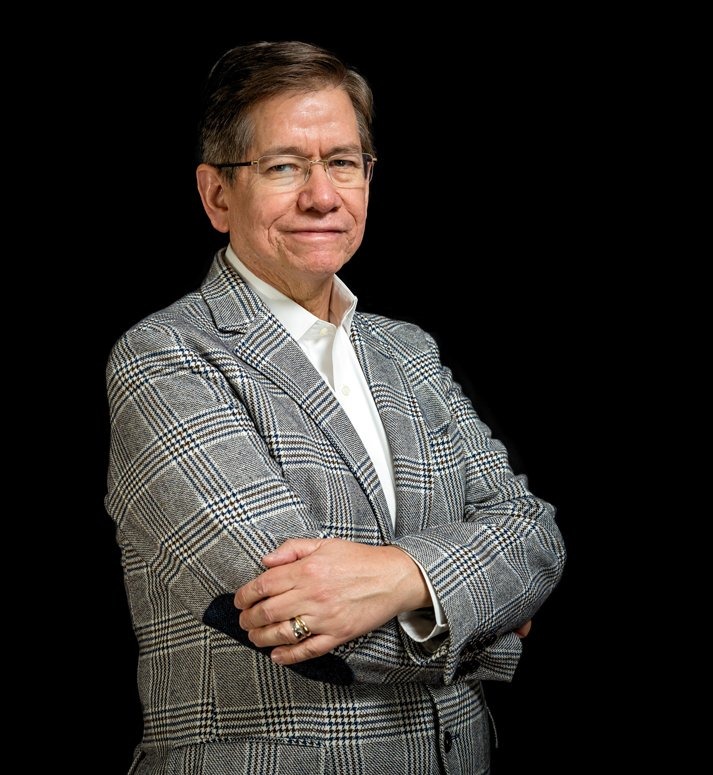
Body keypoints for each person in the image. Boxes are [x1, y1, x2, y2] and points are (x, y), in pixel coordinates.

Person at [104, 40, 566, 774]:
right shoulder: (164, 358)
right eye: (285, 166)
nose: (323, 197)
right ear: (217, 195)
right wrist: (494, 622)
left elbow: (534, 534)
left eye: (343, 163)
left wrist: (407, 579)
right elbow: (298, 622)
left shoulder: (406, 350)